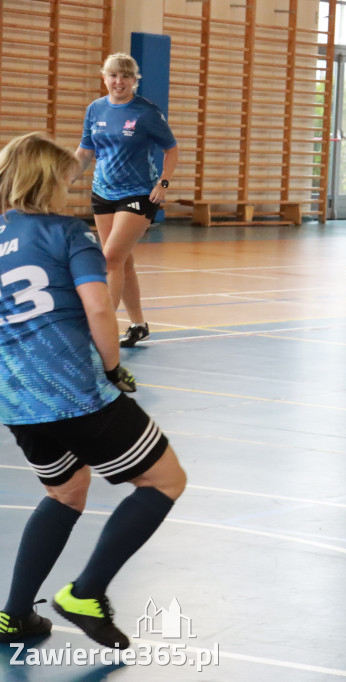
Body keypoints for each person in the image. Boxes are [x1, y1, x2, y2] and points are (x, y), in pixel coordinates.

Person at [0, 133, 187, 649]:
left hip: (17, 401)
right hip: (74, 392)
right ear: (47, 181)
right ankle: (86, 591)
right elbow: (100, 307)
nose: (69, 188)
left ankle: (14, 614)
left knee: (66, 490)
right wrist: (112, 369)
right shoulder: (67, 233)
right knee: (164, 479)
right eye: (65, 179)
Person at [74, 53, 178, 348]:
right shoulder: (95, 109)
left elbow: (172, 149)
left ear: (134, 80)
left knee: (111, 258)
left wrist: (164, 182)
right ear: (104, 77)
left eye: (125, 76)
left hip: (138, 192)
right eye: (113, 75)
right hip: (102, 192)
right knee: (123, 261)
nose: (118, 82)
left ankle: (100, 329)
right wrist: (61, 179)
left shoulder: (146, 112)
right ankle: (138, 324)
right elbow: (84, 153)